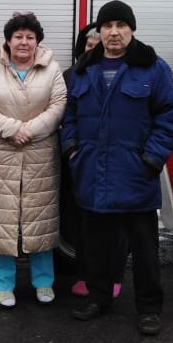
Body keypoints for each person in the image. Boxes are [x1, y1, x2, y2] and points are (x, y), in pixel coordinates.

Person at [62, 1, 173, 336]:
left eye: (121, 25)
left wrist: (152, 159)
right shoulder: (84, 68)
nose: (114, 32)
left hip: (135, 176)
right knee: (96, 246)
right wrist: (72, 151)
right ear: (99, 31)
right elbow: (69, 117)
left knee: (144, 249)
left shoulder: (153, 68)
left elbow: (169, 118)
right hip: (93, 175)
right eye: (107, 26)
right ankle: (99, 299)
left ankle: (149, 308)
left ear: (131, 29)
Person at [0, 12, 66, 308]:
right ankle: (4, 285)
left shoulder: (52, 69)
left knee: (41, 220)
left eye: (30, 37)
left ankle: (43, 283)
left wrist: (32, 130)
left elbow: (59, 104)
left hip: (40, 154)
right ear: (8, 41)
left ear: (37, 41)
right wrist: (13, 129)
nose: (24, 42)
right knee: (1, 220)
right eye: (18, 37)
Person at [61, 25, 122, 299]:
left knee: (116, 222)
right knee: (81, 222)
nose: (95, 48)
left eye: (99, 43)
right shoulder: (70, 76)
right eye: (88, 44)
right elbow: (65, 117)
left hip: (115, 161)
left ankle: (115, 276)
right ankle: (85, 276)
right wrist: (72, 151)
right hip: (81, 162)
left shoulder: (125, 72)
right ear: (80, 48)